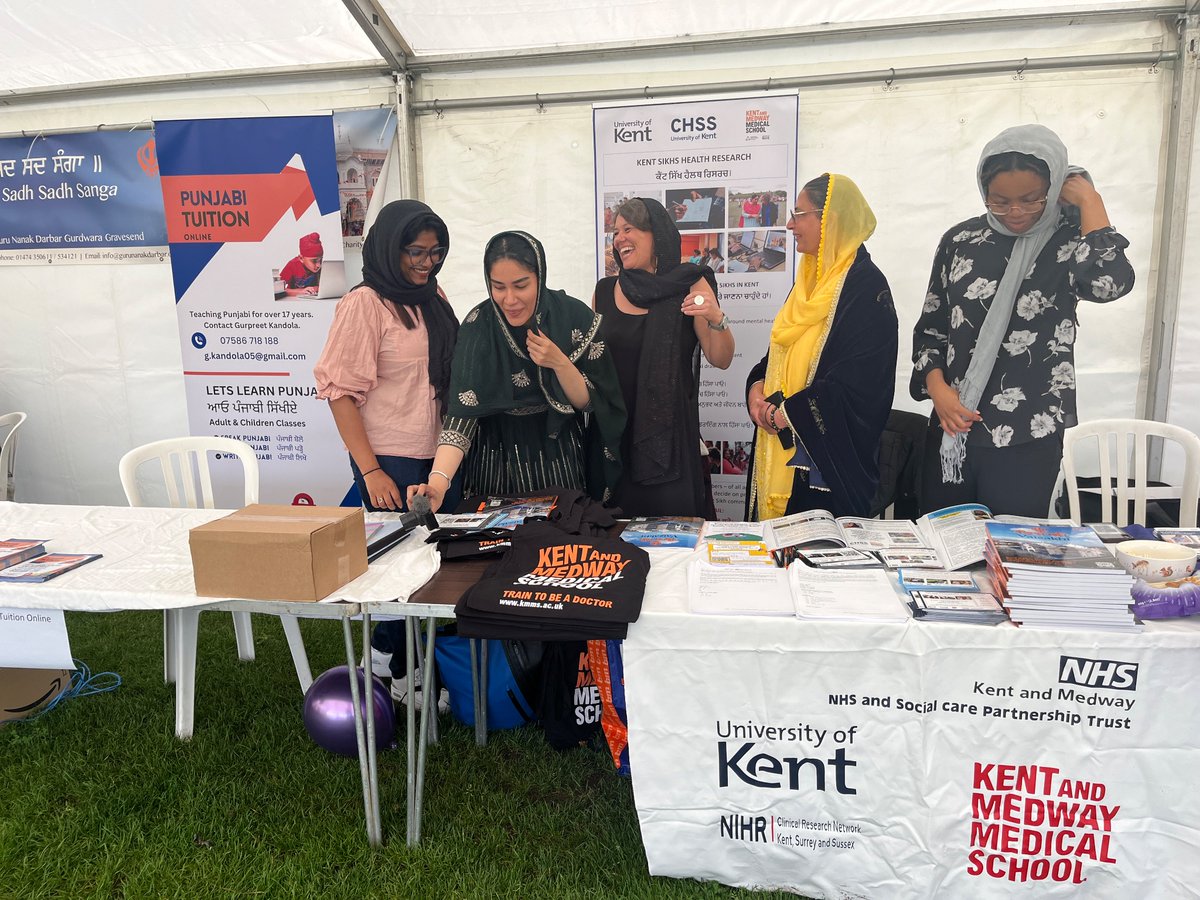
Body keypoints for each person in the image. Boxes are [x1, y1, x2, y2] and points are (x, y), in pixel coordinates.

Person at [911, 124, 1135, 517]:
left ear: (1053, 189)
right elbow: (932, 327)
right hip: (952, 428)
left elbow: (1109, 284)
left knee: (1012, 556)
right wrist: (938, 391)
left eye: (1031, 200)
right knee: (943, 547)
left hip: (1029, 434)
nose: (1015, 212)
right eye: (999, 201)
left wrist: (1090, 201)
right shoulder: (961, 240)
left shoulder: (1071, 241)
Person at [314, 199, 461, 707]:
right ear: (388, 246)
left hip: (436, 456)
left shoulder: (432, 295)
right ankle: (398, 674)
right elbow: (339, 393)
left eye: (436, 252)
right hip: (390, 461)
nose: (426, 262)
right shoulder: (365, 303)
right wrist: (370, 469)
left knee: (430, 569)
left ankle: (395, 663)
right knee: (395, 572)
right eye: (416, 252)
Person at [408, 230, 625, 511]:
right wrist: (438, 483)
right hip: (495, 457)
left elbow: (588, 403)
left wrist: (558, 362)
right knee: (494, 544)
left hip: (558, 452)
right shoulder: (479, 327)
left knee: (559, 541)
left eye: (521, 285)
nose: (509, 299)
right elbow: (462, 417)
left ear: (540, 277)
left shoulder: (573, 316)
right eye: (498, 287)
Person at [745, 174, 899, 519]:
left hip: (822, 465)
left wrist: (785, 414)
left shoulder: (865, 287)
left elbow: (861, 382)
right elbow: (777, 356)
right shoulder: (807, 284)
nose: (789, 224)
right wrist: (756, 388)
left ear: (830, 219)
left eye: (799, 214)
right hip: (777, 443)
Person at [595, 198, 734, 517]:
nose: (619, 239)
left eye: (628, 229)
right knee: (615, 544)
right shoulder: (603, 292)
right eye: (615, 232)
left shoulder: (691, 284)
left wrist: (717, 317)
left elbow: (720, 357)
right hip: (614, 441)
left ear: (656, 233)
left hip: (669, 444)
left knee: (676, 542)